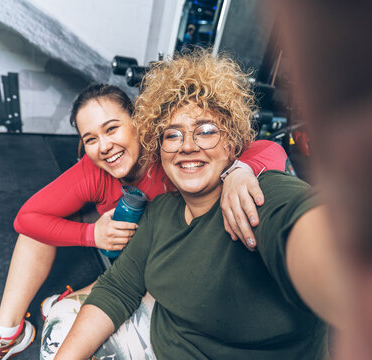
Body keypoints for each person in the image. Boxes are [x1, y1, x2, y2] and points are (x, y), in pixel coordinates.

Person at [45, 50, 346, 360]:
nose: (187, 146)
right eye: (172, 135)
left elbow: (310, 227)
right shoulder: (161, 212)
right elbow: (118, 288)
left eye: (205, 131)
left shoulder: (259, 198)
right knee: (60, 325)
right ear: (159, 148)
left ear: (232, 142)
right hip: (164, 340)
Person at [0, 81, 287, 358]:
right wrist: (92, 234)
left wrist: (239, 171)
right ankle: (6, 334)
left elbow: (269, 148)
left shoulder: (174, 154)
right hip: (123, 264)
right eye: (91, 139)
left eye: (112, 128)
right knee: (38, 237)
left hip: (168, 268)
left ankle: (66, 303)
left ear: (139, 121)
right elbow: (26, 219)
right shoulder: (93, 169)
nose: (104, 146)